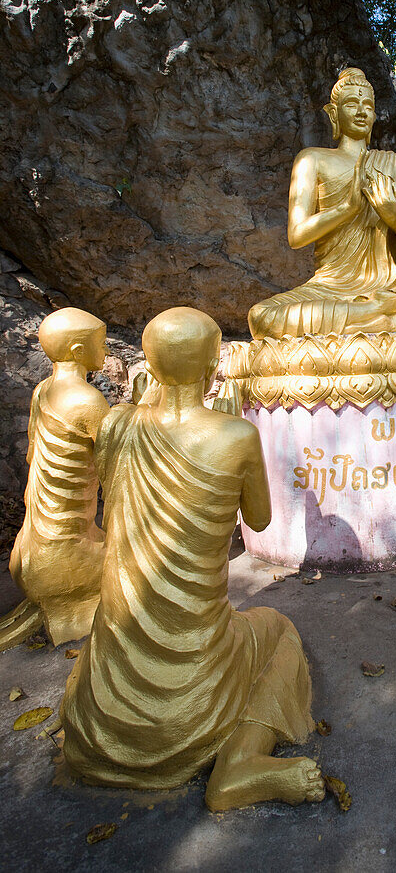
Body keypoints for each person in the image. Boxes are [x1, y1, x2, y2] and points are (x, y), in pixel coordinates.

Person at [61, 307, 323, 811]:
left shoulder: (115, 426)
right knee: (277, 629)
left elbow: (116, 491)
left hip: (106, 713)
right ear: (212, 371)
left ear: (148, 369)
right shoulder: (234, 436)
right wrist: (228, 424)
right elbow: (261, 520)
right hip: (198, 686)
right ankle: (242, 761)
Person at [248, 68, 396, 338]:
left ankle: (380, 314)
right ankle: (383, 316)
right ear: (334, 113)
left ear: (373, 115)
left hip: (390, 286)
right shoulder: (312, 159)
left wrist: (394, 215)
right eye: (351, 104)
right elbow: (297, 236)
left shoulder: (393, 164)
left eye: (368, 106)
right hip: (330, 288)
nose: (361, 112)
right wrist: (347, 208)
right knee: (263, 317)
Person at [1, 308, 109, 649]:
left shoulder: (44, 390)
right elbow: (120, 473)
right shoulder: (87, 400)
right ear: (78, 351)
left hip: (26, 555)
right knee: (153, 555)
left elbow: (35, 455)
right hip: (66, 561)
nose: (107, 351)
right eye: (102, 343)